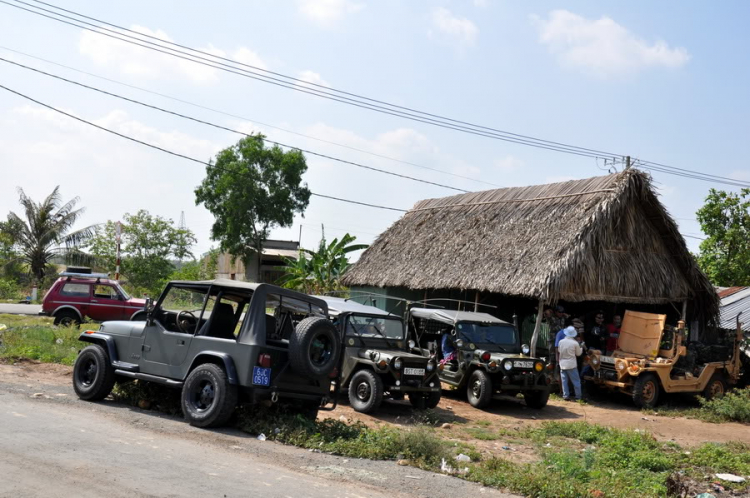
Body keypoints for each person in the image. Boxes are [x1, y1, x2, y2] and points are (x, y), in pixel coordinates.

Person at [558, 326, 583, 401]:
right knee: (576, 381)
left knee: (564, 381)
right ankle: (578, 396)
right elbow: (578, 354)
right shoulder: (575, 343)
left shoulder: (561, 342)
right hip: (571, 364)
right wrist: (581, 347)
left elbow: (559, 351)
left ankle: (566, 395)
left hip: (562, 364)